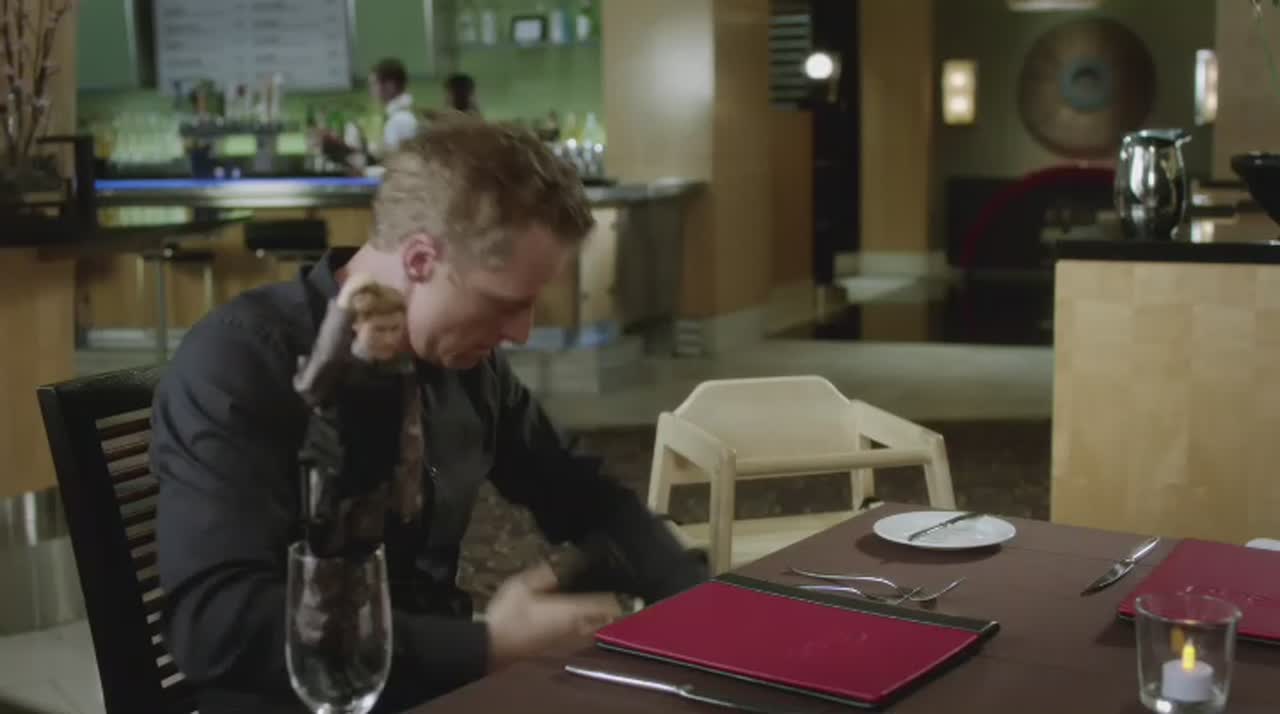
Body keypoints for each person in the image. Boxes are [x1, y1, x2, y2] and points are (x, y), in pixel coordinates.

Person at [150, 116, 706, 714]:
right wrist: (486, 648)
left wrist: (697, 599)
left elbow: (581, 491)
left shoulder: (467, 365)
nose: (521, 332)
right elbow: (215, 623)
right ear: (419, 259)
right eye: (505, 304)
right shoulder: (243, 360)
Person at [320, 58, 419, 173]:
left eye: (373, 84)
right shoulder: (398, 116)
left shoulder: (401, 119)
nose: (371, 90)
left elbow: (395, 163)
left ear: (390, 85)